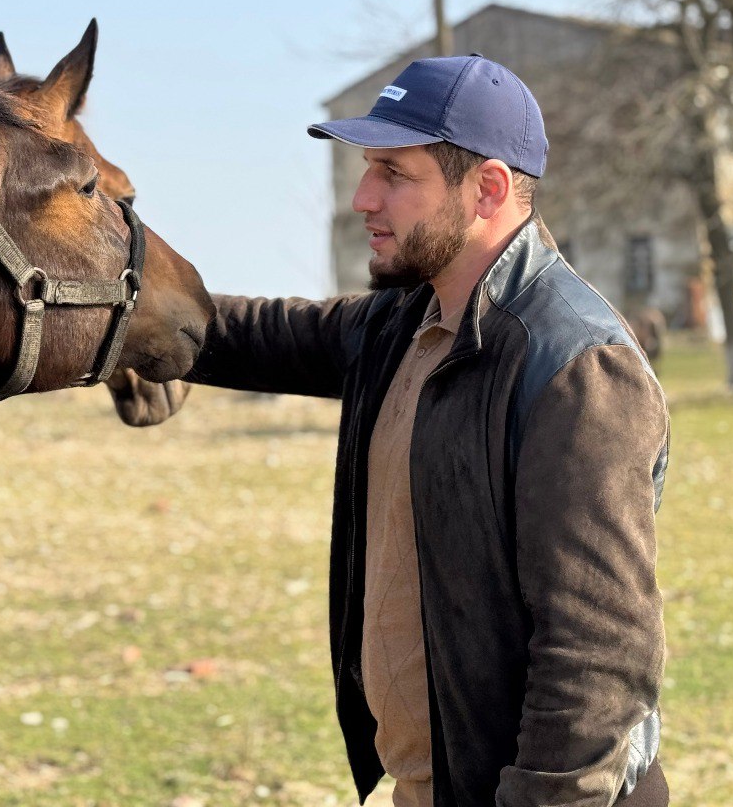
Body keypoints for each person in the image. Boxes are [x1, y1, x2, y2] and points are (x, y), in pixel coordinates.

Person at [187, 55, 670, 807]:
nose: (361, 198)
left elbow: (598, 662)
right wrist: (114, 304)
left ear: (488, 189)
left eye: (393, 173)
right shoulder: (406, 320)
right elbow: (256, 334)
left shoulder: (577, 367)